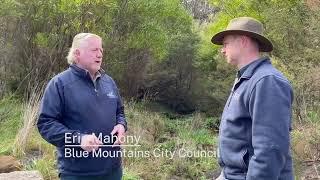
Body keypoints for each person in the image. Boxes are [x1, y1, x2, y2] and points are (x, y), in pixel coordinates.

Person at [211, 17, 294, 179]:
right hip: (231, 174)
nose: (222, 50)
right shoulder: (247, 79)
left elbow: (270, 150)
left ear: (243, 41)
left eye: (226, 44)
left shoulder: (267, 81)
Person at [37, 33, 127, 180]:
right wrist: (78, 139)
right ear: (77, 54)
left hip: (113, 170)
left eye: (101, 50)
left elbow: (120, 111)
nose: (100, 54)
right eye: (94, 50)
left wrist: (121, 125)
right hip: (77, 173)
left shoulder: (109, 82)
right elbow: (46, 124)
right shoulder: (59, 84)